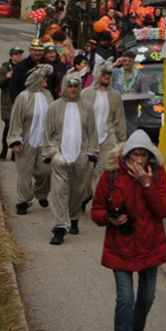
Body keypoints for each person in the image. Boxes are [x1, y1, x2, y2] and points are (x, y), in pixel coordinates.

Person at [91, 129, 166, 331]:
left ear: (150, 156)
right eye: (135, 154)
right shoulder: (112, 175)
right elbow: (96, 210)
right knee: (125, 299)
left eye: (143, 155)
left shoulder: (157, 174)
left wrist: (147, 185)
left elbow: (163, 210)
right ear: (126, 155)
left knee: (147, 297)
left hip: (149, 246)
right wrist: (110, 218)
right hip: (121, 247)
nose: (139, 160)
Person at [45, 72, 98, 245]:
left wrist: (92, 152)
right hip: (60, 157)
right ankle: (59, 228)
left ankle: (73, 218)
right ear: (64, 87)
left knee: (77, 190)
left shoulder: (87, 107)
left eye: (76, 86)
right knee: (59, 191)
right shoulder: (54, 107)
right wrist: (52, 153)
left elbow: (92, 132)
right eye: (69, 86)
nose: (73, 89)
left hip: (81, 156)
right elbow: (47, 134)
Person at [8, 64, 55, 213]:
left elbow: (54, 117)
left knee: (46, 171)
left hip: (45, 142)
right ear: (37, 79)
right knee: (24, 173)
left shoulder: (48, 94)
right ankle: (23, 201)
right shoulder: (23, 97)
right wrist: (15, 140)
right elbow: (16, 120)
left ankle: (41, 193)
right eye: (44, 78)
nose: (46, 80)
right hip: (26, 141)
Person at [82, 63, 127, 182]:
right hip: (88, 137)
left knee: (103, 170)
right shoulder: (86, 93)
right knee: (86, 171)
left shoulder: (115, 95)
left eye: (109, 74)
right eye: (104, 73)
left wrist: (123, 140)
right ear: (98, 74)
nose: (107, 76)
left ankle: (98, 193)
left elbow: (119, 118)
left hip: (108, 136)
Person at [0, 45, 24, 159]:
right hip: (7, 103)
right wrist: (6, 77)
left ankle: (14, 153)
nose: (19, 56)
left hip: (19, 101)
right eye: (16, 54)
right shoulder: (5, 68)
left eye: (20, 54)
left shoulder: (22, 67)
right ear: (11, 56)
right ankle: (5, 147)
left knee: (17, 127)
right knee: (8, 126)